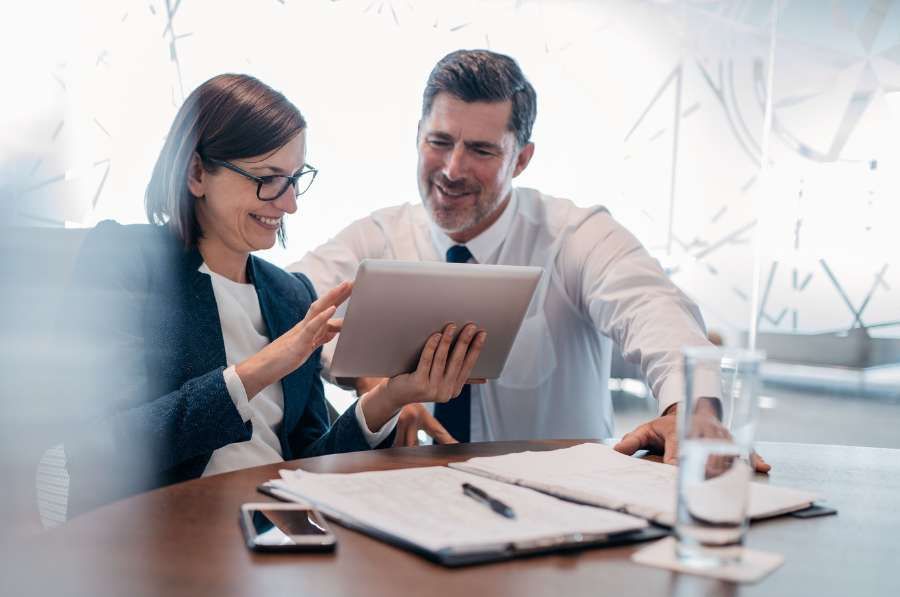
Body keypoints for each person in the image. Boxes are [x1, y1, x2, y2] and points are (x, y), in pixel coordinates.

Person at [288, 50, 770, 471]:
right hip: (407, 506)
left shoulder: (573, 235)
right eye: (439, 141)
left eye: (481, 150)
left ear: (522, 159)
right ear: (418, 136)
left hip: (558, 520)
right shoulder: (377, 238)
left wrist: (692, 412)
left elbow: (654, 309)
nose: (453, 169)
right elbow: (285, 308)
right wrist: (376, 387)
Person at [52, 73, 485, 518]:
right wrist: (263, 366)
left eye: (296, 179)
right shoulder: (126, 260)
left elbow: (310, 464)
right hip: (159, 537)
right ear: (197, 173)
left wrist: (391, 396)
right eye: (269, 179)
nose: (290, 203)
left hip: (276, 527)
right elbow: (98, 448)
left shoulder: (287, 293)